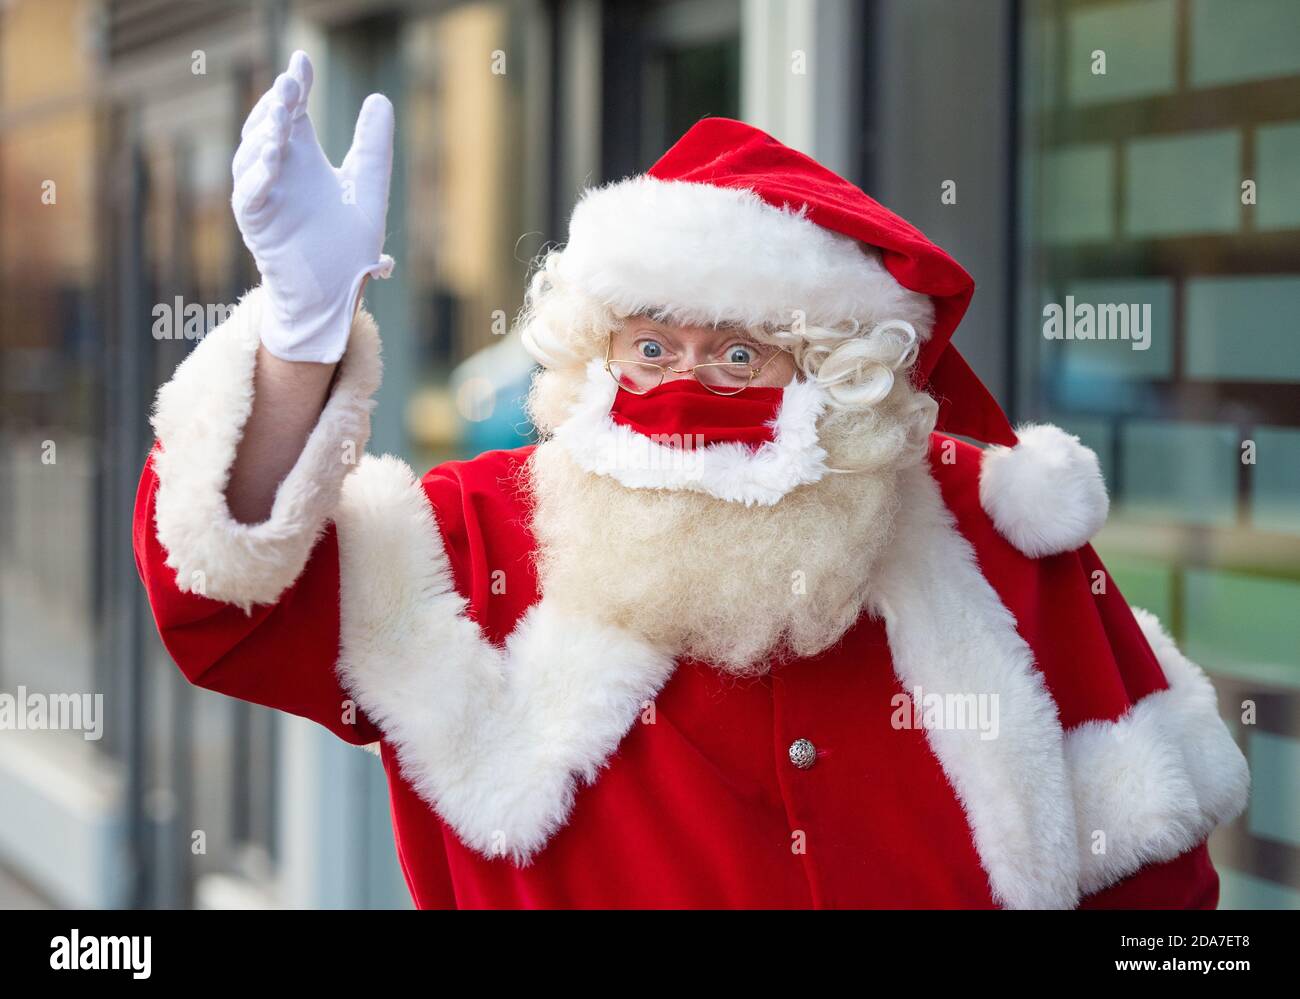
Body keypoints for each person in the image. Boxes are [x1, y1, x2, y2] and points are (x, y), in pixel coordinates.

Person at [133, 50, 1249, 909]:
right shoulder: (481, 537)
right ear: (594, 351)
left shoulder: (990, 529)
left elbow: (1157, 887)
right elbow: (226, 598)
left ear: (833, 369)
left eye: (739, 354)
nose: (687, 389)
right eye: (651, 349)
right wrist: (301, 334)